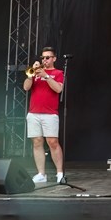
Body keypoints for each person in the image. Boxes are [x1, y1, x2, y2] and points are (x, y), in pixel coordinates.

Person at [23, 47, 65, 184]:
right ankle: (41, 174)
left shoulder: (58, 73)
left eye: (47, 57)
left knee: (53, 142)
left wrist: (46, 76)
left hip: (50, 113)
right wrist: (31, 75)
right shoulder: (35, 73)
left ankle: (59, 173)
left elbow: (58, 89)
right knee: (37, 142)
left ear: (54, 59)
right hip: (34, 112)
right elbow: (26, 87)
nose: (44, 60)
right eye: (43, 58)